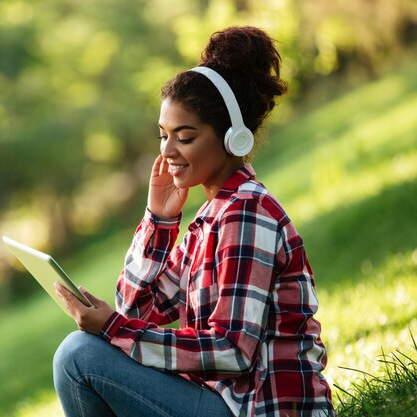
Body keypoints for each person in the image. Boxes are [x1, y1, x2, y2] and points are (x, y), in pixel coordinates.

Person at [53, 26, 334, 417]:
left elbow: (233, 352)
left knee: (78, 355)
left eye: (184, 137)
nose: (167, 150)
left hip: (257, 410)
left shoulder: (247, 214)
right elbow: (136, 311)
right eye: (163, 135)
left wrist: (111, 329)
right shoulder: (210, 218)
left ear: (232, 138)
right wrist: (159, 220)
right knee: (83, 352)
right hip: (222, 403)